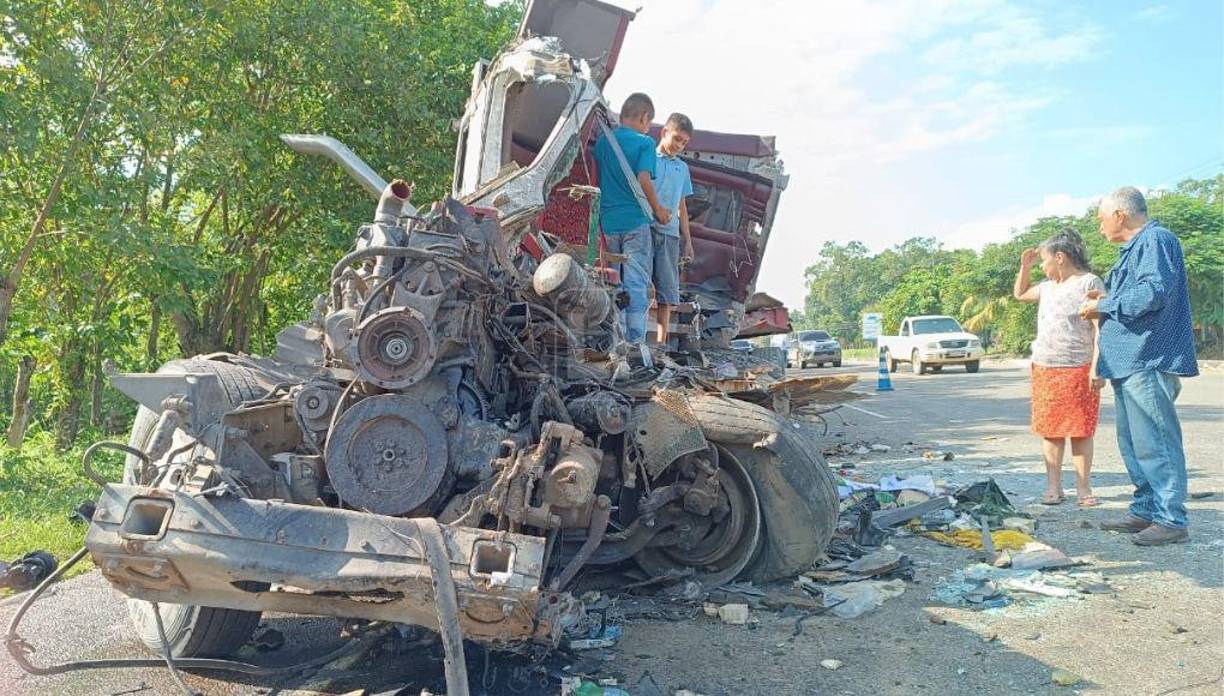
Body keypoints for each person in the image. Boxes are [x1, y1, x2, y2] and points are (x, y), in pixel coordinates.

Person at [1080, 186, 1198, 546]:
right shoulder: (1137, 246)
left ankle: (1170, 518)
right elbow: (1140, 293)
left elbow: (1152, 293)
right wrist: (1107, 299)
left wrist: (1104, 305)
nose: (1100, 227)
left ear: (1120, 215)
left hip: (1147, 357)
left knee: (1156, 441)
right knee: (1134, 443)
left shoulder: (1155, 239)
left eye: (1101, 219)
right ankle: (1146, 509)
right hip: (1128, 361)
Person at [1014, 229, 1105, 508]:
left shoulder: (1088, 282)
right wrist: (1025, 267)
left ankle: (1083, 489)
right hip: (1045, 368)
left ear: (1060, 257)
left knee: (1081, 430)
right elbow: (1020, 294)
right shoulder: (1047, 287)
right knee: (1050, 430)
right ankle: (1054, 488)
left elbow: (1100, 328)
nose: (1042, 266)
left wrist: (1097, 367)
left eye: (1044, 260)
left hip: (1078, 368)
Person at [593, 93, 670, 343]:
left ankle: (613, 338)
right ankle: (635, 341)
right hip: (635, 222)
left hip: (608, 223)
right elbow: (644, 179)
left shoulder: (603, 142)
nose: (648, 127)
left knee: (611, 282)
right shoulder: (645, 143)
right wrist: (658, 209)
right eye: (649, 122)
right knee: (635, 282)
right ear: (644, 117)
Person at [651, 113, 696, 345]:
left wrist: (687, 240)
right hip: (645, 229)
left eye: (684, 143)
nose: (679, 145)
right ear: (664, 132)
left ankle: (660, 344)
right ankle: (632, 340)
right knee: (637, 285)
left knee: (667, 291)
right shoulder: (648, 159)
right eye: (677, 139)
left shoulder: (682, 169)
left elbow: (682, 206)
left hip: (669, 234)